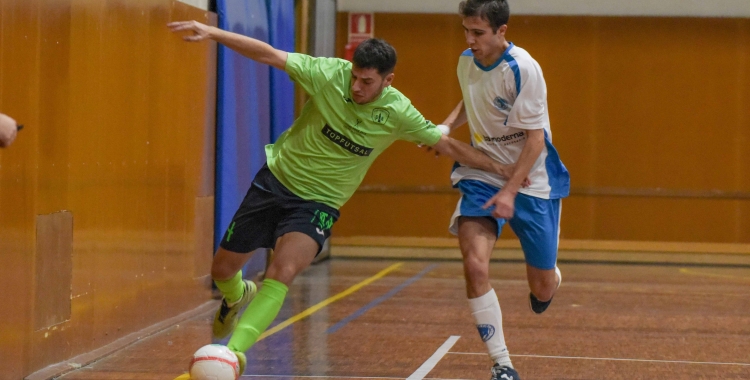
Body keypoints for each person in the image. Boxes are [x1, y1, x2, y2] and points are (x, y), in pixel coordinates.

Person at [167, 20, 519, 373]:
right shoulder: (327, 75)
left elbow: (444, 144)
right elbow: (270, 54)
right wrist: (213, 33)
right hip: (275, 181)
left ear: (388, 81)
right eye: (355, 77)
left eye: (367, 82)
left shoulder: (397, 112)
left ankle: (234, 353)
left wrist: (502, 170)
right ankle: (236, 295)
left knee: (283, 270)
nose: (357, 86)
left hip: (320, 203)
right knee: (222, 269)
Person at [435, 1, 570, 379]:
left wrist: (511, 191)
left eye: (478, 33)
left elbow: (535, 141)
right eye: (466, 30)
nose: (470, 40)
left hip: (532, 179)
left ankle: (551, 280)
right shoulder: (466, 60)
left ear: (502, 31)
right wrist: (446, 126)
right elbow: (472, 98)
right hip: (482, 173)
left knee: (541, 289)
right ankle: (502, 364)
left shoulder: (523, 68)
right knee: (474, 265)